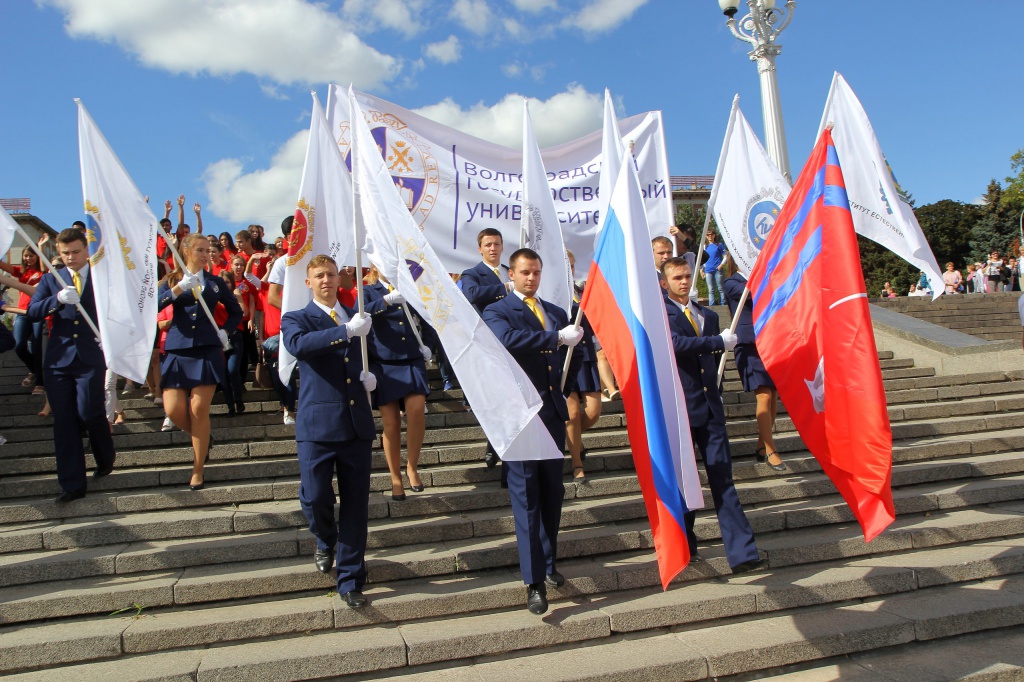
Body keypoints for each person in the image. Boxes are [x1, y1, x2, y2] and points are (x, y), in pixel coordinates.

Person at [482, 247, 583, 615]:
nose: (531, 278)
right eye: (525, 272)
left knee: (553, 495)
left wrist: (564, 386)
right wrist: (555, 339)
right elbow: (507, 340)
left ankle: (549, 560)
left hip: (552, 414)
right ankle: (533, 581)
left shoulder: (556, 312)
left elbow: (577, 353)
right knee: (526, 499)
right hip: (521, 417)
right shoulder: (497, 310)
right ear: (511, 274)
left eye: (536, 272)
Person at [280, 254, 376, 609]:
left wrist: (373, 380)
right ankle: (324, 537)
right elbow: (299, 346)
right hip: (318, 425)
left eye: (331, 274)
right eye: (319, 275)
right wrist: (345, 332)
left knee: (356, 506)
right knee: (316, 494)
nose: (326, 280)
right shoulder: (297, 318)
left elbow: (370, 355)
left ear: (340, 279)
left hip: (355, 425)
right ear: (309, 282)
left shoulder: (358, 316)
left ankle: (350, 579)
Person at [661, 256, 764, 573]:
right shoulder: (662, 315)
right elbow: (676, 344)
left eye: (688, 275)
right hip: (680, 411)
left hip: (710, 408)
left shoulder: (707, 315)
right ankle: (684, 545)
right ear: (664, 283)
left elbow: (712, 359)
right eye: (677, 277)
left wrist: (720, 345)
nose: (683, 281)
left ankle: (743, 552)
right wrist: (716, 342)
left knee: (723, 480)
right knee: (685, 483)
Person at [26, 228, 116, 503]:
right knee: (64, 421)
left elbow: (119, 310)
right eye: (65, 253)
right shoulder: (52, 279)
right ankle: (72, 484)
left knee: (90, 412)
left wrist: (111, 339)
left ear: (86, 250)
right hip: (58, 360)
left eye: (76, 252)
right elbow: (32, 311)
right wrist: (56, 301)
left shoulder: (102, 278)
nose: (70, 258)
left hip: (91, 356)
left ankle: (104, 455)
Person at [158, 233, 243, 491]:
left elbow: (237, 311)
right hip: (177, 348)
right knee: (173, 410)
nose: (206, 254)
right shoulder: (171, 280)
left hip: (206, 348)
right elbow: (154, 304)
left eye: (208, 250)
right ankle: (204, 438)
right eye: (200, 250)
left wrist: (225, 331)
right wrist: (178, 288)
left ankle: (198, 469)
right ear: (186, 251)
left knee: (198, 410)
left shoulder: (216, 283)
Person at [363, 265, 432, 500]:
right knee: (391, 422)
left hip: (412, 357)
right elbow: (359, 314)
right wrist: (385, 301)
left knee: (416, 410)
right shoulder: (369, 290)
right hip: (384, 361)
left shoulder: (411, 288)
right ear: (375, 266)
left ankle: (412, 466)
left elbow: (428, 315)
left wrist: (429, 345)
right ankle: (395, 477)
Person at [723, 262, 786, 473]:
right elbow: (752, 295)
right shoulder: (732, 282)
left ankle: (761, 444)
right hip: (748, 345)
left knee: (773, 395)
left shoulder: (768, 276)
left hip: (770, 341)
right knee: (764, 395)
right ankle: (770, 449)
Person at [460, 227, 513, 472]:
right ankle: (494, 442)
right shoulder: (472, 273)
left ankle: (499, 445)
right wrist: (505, 288)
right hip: (489, 343)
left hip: (515, 341)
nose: (493, 249)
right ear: (480, 248)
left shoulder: (510, 271)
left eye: (497, 244)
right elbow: (471, 295)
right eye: (488, 244)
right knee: (495, 400)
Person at [564, 250, 600, 482]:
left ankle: (571, 440)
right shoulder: (552, 294)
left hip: (586, 356)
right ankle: (577, 463)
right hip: (565, 357)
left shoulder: (582, 291)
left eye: (573, 265)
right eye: (566, 265)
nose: (570, 269)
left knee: (593, 412)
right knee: (573, 413)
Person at [0, 244, 44, 393]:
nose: (28, 258)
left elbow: (45, 269)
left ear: (37, 257)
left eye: (31, 256)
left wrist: (42, 247)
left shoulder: (44, 272)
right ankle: (35, 371)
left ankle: (40, 382)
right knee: (18, 345)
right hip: (21, 312)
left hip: (38, 312)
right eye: (26, 256)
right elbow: (3, 266)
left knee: (37, 346)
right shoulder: (21, 272)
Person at [701, 229, 727, 306]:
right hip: (708, 270)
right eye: (707, 235)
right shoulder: (705, 246)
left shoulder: (719, 245)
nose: (709, 236)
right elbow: (702, 259)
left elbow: (725, 256)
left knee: (720, 288)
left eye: (711, 234)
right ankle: (711, 306)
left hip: (717, 269)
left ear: (714, 235)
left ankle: (723, 304)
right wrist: (702, 269)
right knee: (710, 290)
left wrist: (721, 265)